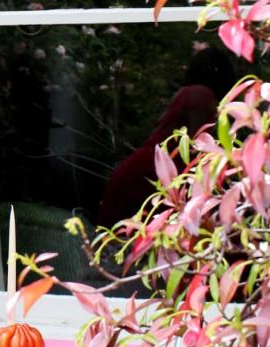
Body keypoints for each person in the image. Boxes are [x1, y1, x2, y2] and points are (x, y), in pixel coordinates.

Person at [97, 45, 237, 227]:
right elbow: (197, 145)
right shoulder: (202, 95)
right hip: (156, 171)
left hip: (146, 166)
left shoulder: (185, 93)